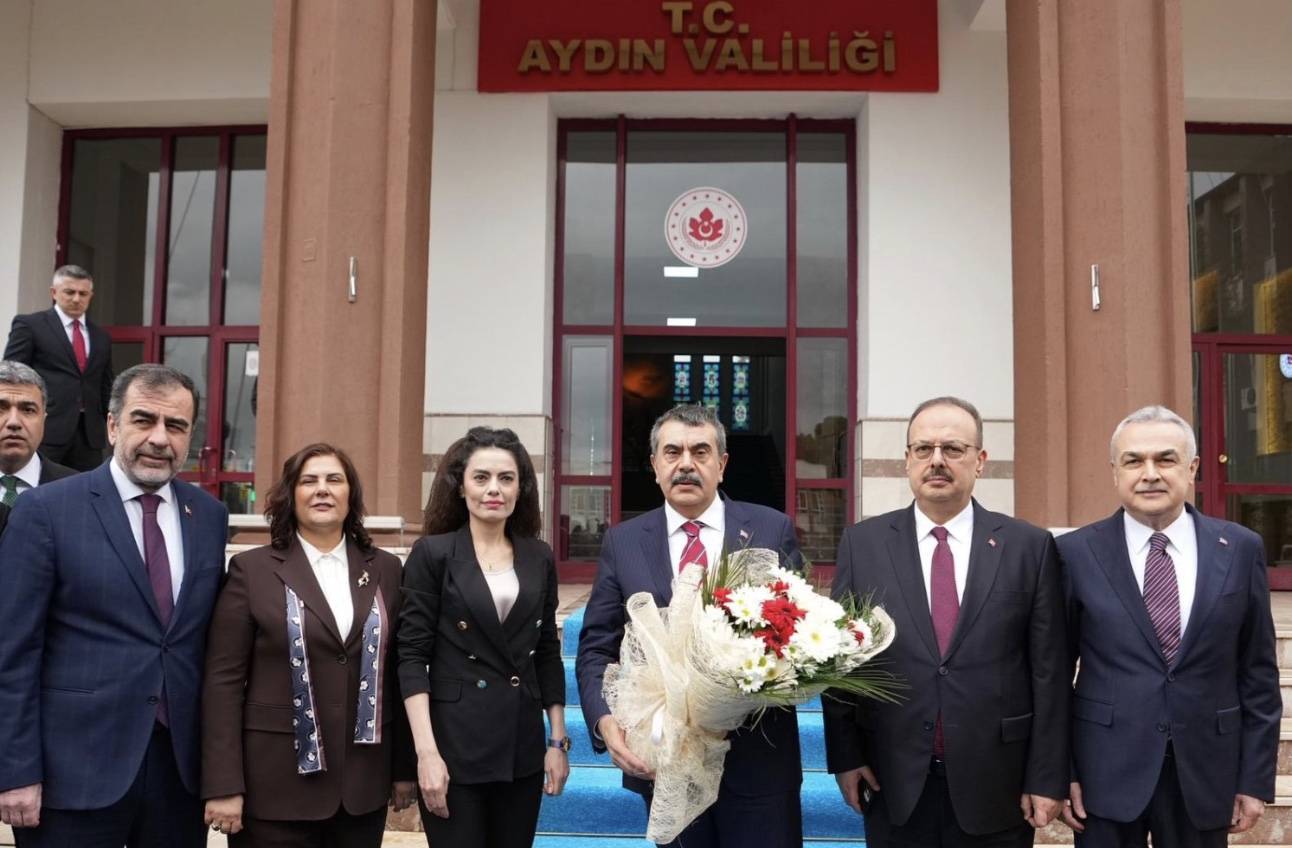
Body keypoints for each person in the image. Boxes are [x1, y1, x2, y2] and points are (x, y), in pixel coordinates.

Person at [823, 396, 1069, 847]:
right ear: (907, 460)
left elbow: (1049, 673)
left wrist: (1047, 775)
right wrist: (846, 756)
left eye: (953, 449)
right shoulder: (863, 545)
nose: (937, 460)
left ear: (980, 460)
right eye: (924, 449)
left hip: (998, 783)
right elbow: (841, 663)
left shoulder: (1028, 547)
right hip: (893, 779)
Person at [0, 364, 228, 847]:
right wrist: (15, 770)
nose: (160, 439)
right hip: (71, 774)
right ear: (111, 425)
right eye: (144, 420)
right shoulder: (47, 510)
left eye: (176, 425)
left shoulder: (208, 516)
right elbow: (12, 652)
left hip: (178, 776)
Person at [576, 403, 805, 848]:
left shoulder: (770, 529)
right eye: (672, 452)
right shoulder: (624, 542)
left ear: (722, 464)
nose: (686, 464)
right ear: (654, 465)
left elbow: (796, 632)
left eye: (700, 452)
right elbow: (597, 647)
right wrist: (604, 720)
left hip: (760, 762)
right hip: (665, 761)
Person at [1057, 405, 1280, 846]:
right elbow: (1053, 675)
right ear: (1114, 472)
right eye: (1133, 461)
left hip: (1206, 770)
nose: (1150, 474)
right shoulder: (1074, 553)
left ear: (1192, 468)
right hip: (1104, 771)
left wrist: (1254, 779)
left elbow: (1258, 673)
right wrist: (1061, 771)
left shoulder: (1240, 548)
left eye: (1166, 459)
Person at [201, 443, 416, 844]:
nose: (322, 489)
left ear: (351, 494)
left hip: (360, 790)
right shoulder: (252, 570)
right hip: (273, 788)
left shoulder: (386, 569)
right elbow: (222, 683)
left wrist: (404, 769)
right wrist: (223, 783)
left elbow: (398, 673)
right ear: (291, 494)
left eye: (334, 479)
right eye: (309, 481)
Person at [398, 426, 568, 848]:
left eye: (506, 478)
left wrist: (557, 741)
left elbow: (547, 651)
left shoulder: (538, 556)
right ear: (461, 487)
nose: (494, 489)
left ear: (520, 488)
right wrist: (426, 754)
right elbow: (412, 656)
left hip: (521, 745)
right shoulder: (433, 554)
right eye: (481, 477)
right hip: (453, 746)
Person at [3, 265, 114, 471]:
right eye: (69, 292)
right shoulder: (30, 325)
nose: (76, 299)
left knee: (85, 487)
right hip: (47, 427)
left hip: (89, 434)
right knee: (39, 484)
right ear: (53, 293)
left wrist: (115, 421)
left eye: (83, 293)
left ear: (91, 296)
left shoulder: (101, 336)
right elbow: (11, 375)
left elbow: (106, 384)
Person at [0, 360, 75, 536]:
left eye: (28, 410)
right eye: (1, 408)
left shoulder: (77, 490)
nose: (14, 422)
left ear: (44, 420)